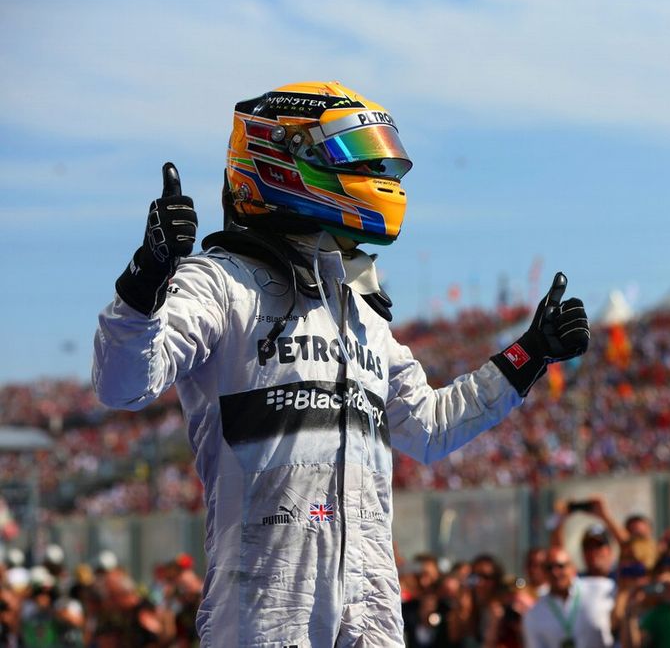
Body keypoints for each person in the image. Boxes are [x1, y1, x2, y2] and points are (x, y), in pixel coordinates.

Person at [91, 80, 590, 647]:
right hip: (264, 601)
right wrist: (147, 275)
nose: (380, 177)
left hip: (371, 597)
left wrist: (528, 355)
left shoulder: (359, 310)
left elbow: (427, 427)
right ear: (281, 158)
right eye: (356, 158)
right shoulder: (220, 281)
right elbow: (122, 384)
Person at [522, 547, 615, 648]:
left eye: (560, 566)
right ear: (544, 572)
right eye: (549, 568)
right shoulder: (534, 613)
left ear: (573, 568)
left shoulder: (600, 589)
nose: (555, 572)